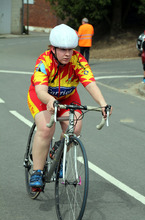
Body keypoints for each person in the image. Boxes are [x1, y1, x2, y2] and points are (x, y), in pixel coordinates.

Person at [27, 24, 112, 188]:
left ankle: (58, 158)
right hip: (43, 97)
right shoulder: (44, 61)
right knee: (46, 128)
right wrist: (50, 100)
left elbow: (90, 84)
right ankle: (37, 170)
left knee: (75, 128)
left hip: (67, 97)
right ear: (53, 48)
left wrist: (102, 103)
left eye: (70, 49)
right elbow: (40, 91)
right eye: (63, 50)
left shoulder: (78, 60)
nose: (67, 54)